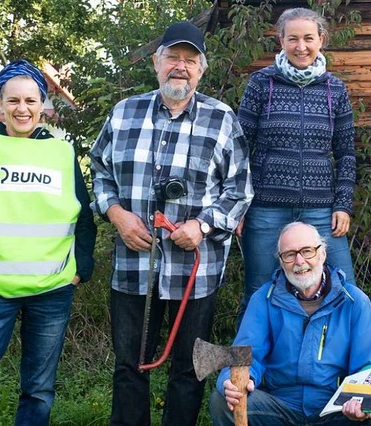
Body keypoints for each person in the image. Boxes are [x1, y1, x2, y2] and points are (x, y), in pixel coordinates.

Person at [89, 21, 253, 426]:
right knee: (130, 366)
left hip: (196, 272)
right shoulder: (124, 112)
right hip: (134, 267)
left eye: (190, 60)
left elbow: (240, 189)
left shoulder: (222, 119)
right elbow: (99, 171)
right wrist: (116, 213)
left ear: (202, 68)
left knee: (189, 369)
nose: (181, 66)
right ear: (156, 63)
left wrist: (203, 225)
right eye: (173, 57)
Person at [0, 59, 96, 425]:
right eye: (13, 101)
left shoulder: (61, 151)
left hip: (52, 290)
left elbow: (83, 216)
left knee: (39, 391)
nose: (22, 109)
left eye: (30, 100)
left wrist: (81, 269)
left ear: (43, 103)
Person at [209, 222, 371, 426]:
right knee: (222, 402)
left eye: (307, 251)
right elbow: (244, 355)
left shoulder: (354, 301)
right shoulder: (263, 299)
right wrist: (233, 382)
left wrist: (360, 402)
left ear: (322, 254)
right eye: (289, 254)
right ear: (281, 261)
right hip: (279, 407)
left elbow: (369, 367)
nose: (299, 261)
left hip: (336, 408)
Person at [237, 7, 356, 320]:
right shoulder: (261, 84)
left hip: (321, 211)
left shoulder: (336, 90)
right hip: (265, 209)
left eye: (308, 38)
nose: (300, 46)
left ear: (321, 40)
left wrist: (343, 204)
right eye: (293, 39)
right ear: (281, 40)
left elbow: (345, 153)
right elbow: (238, 150)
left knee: (345, 288)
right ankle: (245, 369)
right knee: (259, 292)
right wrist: (237, 206)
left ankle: (352, 367)